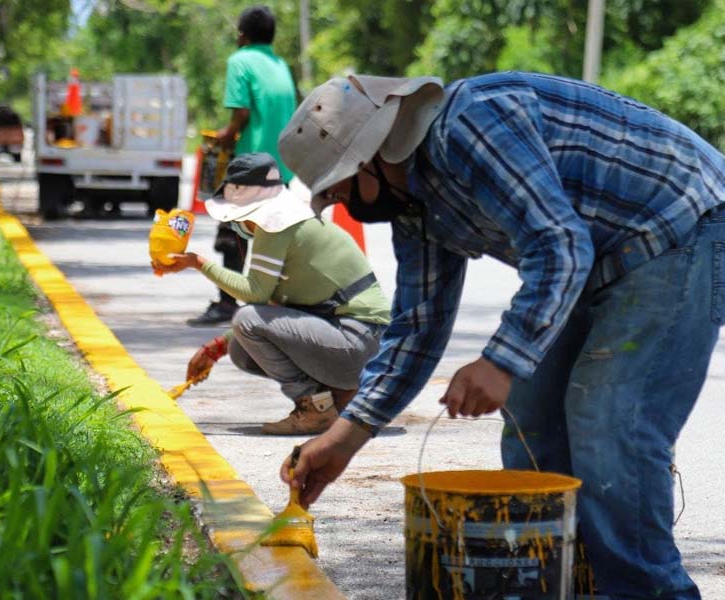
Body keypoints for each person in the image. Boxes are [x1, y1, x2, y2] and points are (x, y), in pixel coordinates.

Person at [276, 71, 725, 598]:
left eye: (338, 186)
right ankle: (571, 585)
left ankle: (648, 591)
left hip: (679, 224)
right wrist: (343, 439)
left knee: (608, 421)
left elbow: (558, 244)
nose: (338, 206)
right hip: (596, 256)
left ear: (374, 154)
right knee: (532, 422)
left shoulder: (471, 124)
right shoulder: (413, 204)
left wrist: (501, 362)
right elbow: (418, 327)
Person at [154, 153, 390, 435]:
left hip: (357, 340)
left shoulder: (276, 225)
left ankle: (316, 408)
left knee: (246, 320)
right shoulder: (291, 220)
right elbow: (276, 304)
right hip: (363, 341)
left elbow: (255, 295)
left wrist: (198, 263)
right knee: (240, 348)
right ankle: (336, 395)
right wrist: (217, 347)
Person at [188, 5, 297, 326]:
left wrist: (224, 137)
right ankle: (277, 301)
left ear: (242, 35)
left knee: (231, 233)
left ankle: (226, 303)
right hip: (282, 165)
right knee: (274, 235)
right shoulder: (281, 65)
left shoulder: (240, 61)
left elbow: (241, 116)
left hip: (251, 165)